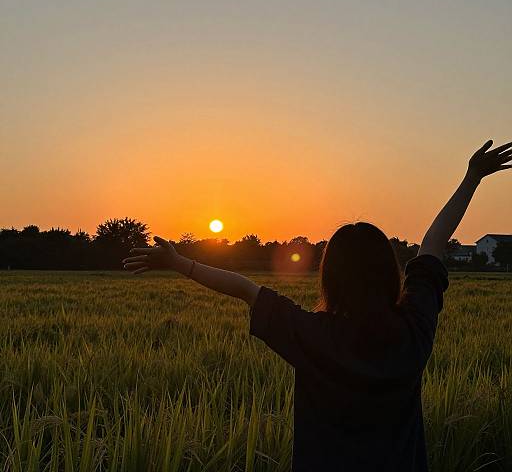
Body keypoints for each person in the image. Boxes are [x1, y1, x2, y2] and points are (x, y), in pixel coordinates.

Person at [123, 139, 511, 471]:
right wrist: (471, 179)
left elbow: (244, 288)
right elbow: (433, 245)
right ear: (388, 273)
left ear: (331, 278)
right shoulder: (413, 330)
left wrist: (178, 263)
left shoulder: (311, 336)